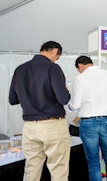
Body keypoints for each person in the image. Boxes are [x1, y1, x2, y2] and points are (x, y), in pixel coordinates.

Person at [9, 41, 71, 181]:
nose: (56, 59)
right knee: (58, 169)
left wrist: (29, 95)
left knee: (31, 169)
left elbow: (12, 99)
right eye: (57, 57)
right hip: (52, 126)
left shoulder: (20, 69)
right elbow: (63, 99)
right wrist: (65, 90)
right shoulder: (53, 68)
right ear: (55, 51)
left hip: (29, 128)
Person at [69, 56, 107, 181]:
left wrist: (69, 105)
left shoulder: (80, 78)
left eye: (78, 69)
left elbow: (75, 105)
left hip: (89, 122)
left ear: (80, 66)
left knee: (93, 161)